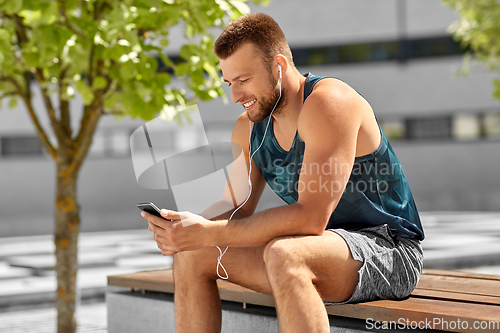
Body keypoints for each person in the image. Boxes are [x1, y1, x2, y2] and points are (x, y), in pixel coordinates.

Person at [141, 13, 424, 333]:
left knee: (285, 253)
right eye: (229, 83)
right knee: (193, 255)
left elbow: (310, 218)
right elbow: (235, 208)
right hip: (315, 249)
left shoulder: (329, 103)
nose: (235, 96)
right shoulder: (248, 128)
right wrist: (188, 228)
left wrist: (210, 232)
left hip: (388, 250)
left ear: (278, 65)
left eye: (244, 80)